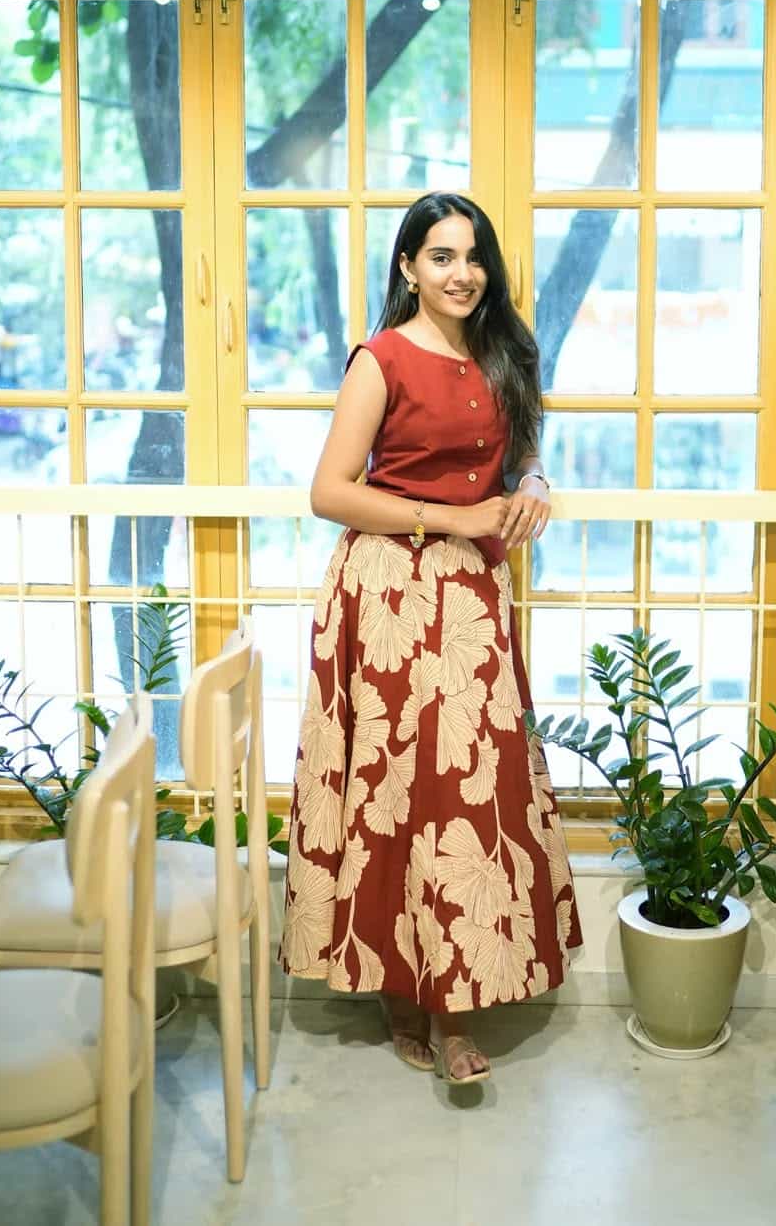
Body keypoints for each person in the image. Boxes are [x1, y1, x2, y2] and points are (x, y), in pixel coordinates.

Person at [280, 192, 582, 1085]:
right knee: (394, 795)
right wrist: (456, 517)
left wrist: (532, 482)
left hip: (474, 597)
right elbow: (330, 492)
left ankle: (454, 997)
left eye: (473, 256)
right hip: (388, 593)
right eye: (441, 256)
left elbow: (521, 448)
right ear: (409, 267)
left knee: (466, 796)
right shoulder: (380, 360)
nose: (462, 273)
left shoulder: (504, 351)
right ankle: (403, 993)